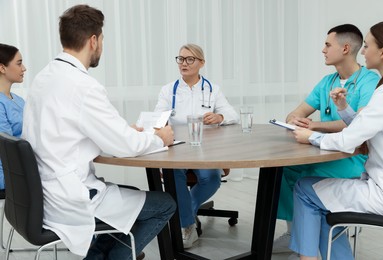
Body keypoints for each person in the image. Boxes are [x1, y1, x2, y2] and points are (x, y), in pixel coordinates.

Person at [22, 5, 176, 259]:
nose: (102, 45)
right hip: (71, 197)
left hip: (45, 193)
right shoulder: (83, 86)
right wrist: (159, 138)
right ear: (93, 41)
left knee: (130, 201)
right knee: (165, 204)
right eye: (102, 39)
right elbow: (126, 147)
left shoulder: (44, 77)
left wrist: (122, 131)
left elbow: (69, 129)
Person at [273, 24, 380, 255]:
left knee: (307, 184)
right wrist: (296, 120)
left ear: (345, 48)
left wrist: (315, 128)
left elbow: (357, 128)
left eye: (327, 44)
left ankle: (307, 241)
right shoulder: (327, 82)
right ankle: (295, 231)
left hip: (350, 157)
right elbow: (297, 112)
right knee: (282, 171)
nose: (323, 49)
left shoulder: (371, 82)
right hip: (327, 152)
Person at [154, 43, 239, 248]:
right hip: (178, 148)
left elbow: (233, 115)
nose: (184, 63)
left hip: (205, 148)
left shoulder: (212, 90)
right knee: (174, 174)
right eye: (181, 59)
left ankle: (186, 212)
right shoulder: (168, 91)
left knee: (211, 178)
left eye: (190, 59)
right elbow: (157, 118)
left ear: (201, 63)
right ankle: (187, 227)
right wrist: (161, 123)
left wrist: (219, 116)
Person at [0, 43, 26, 192]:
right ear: (2, 68)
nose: (24, 69)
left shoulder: (19, 100)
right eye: (19, 63)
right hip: (7, 173)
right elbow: (7, 146)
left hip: (22, 166)